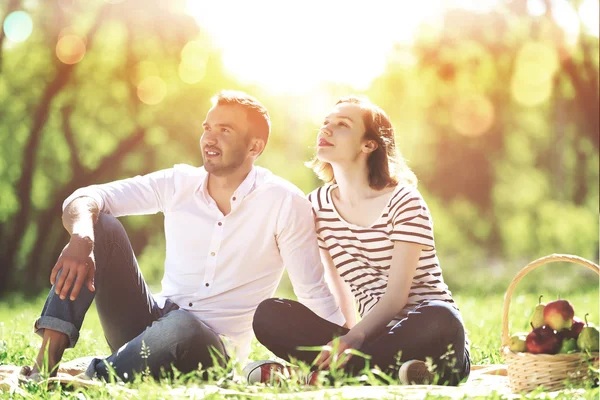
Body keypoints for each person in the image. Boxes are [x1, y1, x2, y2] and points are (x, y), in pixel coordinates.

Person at [23, 90, 344, 383]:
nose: (209, 138)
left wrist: (344, 348)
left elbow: (313, 290)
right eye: (207, 127)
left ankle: (94, 376)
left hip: (213, 351)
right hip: (151, 326)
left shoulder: (284, 201)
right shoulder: (179, 183)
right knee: (101, 226)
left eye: (225, 130)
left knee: (184, 325)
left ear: (254, 147)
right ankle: (45, 368)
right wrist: (82, 238)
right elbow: (86, 197)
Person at [249, 96, 470, 386]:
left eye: (342, 125)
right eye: (325, 123)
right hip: (370, 338)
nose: (326, 130)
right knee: (269, 314)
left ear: (369, 144)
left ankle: (330, 377)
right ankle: (380, 372)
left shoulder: (404, 201)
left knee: (441, 316)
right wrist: (342, 338)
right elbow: (335, 287)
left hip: (429, 335)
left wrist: (354, 338)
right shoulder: (317, 206)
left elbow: (396, 297)